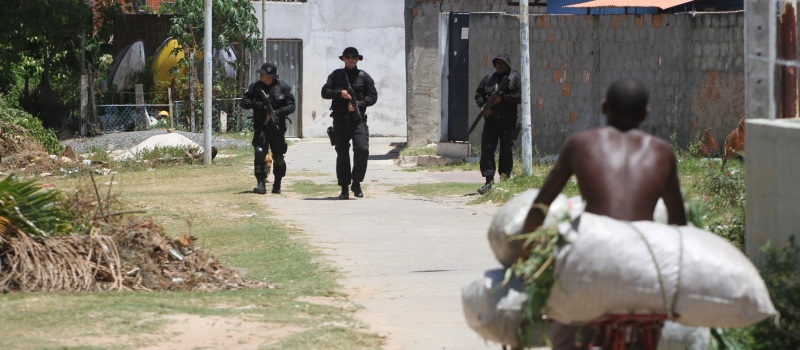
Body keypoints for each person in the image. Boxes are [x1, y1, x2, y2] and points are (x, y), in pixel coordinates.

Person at [521, 78, 687, 350]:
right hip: (642, 259)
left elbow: (541, 206)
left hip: (590, 254)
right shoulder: (662, 152)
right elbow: (678, 222)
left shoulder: (580, 144)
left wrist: (525, 256)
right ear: (646, 114)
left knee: (567, 330)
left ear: (604, 107)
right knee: (649, 325)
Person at [321, 47, 378, 200]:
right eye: (348, 57)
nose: (351, 59)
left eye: (354, 57)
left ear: (358, 59)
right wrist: (340, 93)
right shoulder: (336, 75)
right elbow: (325, 92)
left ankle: (356, 182)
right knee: (342, 154)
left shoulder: (364, 77)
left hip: (358, 121)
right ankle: (344, 188)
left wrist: (358, 104)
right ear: (343, 59)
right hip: (340, 121)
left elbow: (373, 96)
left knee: (363, 150)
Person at [240, 62, 296, 194]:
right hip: (261, 125)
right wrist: (258, 105)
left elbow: (292, 106)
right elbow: (243, 102)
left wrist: (276, 113)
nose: (260, 75)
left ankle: (277, 183)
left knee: (278, 156)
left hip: (277, 126)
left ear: (270, 76)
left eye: (263, 74)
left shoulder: (283, 87)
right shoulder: (255, 87)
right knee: (259, 152)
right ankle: (261, 183)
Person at [475, 53, 522, 195]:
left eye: (502, 63)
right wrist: (484, 107)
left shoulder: (515, 78)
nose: (499, 65)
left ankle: (505, 179)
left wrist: (503, 99)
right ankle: (489, 181)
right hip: (491, 121)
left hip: (508, 121)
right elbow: (479, 95)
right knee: (487, 149)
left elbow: (520, 96)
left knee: (506, 150)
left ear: (508, 64)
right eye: (497, 63)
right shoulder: (488, 79)